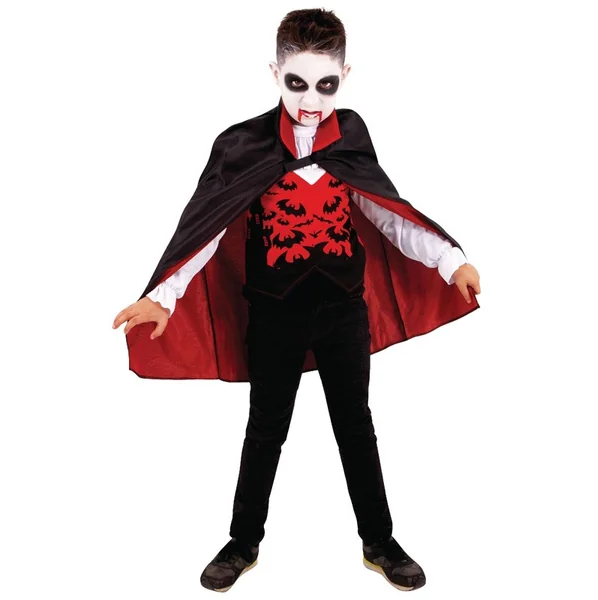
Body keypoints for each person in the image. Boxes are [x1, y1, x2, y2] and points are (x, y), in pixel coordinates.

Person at [112, 7, 481, 593]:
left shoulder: (350, 136)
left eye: (326, 84)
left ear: (345, 75)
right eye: (297, 82)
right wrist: (163, 295)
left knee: (355, 425)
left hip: (343, 310)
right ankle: (243, 541)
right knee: (265, 429)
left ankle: (379, 541)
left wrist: (449, 258)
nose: (311, 99)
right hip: (274, 313)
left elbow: (387, 212)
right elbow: (208, 227)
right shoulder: (243, 145)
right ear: (274, 73)